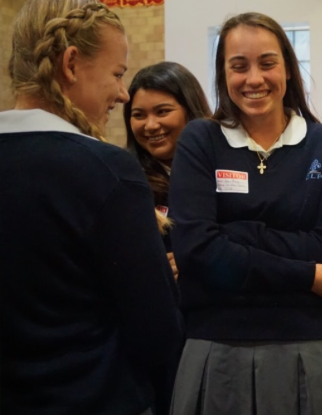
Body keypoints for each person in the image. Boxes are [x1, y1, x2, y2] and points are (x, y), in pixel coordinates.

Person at [168, 12, 322, 415]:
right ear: (223, 74)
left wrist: (234, 234)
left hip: (310, 351)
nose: (254, 79)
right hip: (216, 350)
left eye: (267, 63)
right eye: (239, 66)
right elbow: (197, 252)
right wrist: (307, 275)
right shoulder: (201, 140)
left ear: (287, 68)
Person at [0, 1, 183, 415]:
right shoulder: (106, 171)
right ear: (70, 64)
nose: (122, 92)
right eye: (118, 74)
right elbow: (157, 331)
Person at [124, 61, 213, 279]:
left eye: (162, 111)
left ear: (191, 111)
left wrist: (194, 261)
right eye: (139, 115)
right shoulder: (125, 178)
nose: (151, 125)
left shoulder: (223, 168)